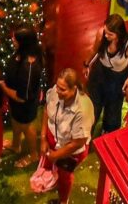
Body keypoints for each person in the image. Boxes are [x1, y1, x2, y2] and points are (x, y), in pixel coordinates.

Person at [85, 14, 128, 135]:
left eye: (110, 34)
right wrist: (86, 64)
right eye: (106, 32)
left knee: (113, 109)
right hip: (99, 73)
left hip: (117, 78)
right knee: (93, 105)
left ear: (119, 33)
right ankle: (87, 134)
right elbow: (94, 49)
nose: (106, 36)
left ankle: (108, 132)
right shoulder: (102, 34)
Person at [40, 69, 90, 203]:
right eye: (57, 86)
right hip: (53, 138)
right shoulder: (54, 92)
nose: (57, 91)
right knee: (52, 167)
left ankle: (63, 201)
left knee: (65, 176)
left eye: (62, 89)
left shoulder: (83, 109)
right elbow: (46, 110)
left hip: (70, 150)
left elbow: (78, 142)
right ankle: (53, 179)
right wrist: (43, 137)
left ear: (74, 89)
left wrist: (56, 155)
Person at [4, 25, 44, 167]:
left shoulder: (29, 67)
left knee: (26, 127)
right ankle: (16, 145)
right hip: (16, 103)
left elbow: (22, 97)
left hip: (24, 104)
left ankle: (33, 155)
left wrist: (3, 86)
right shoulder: (22, 52)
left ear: (24, 43)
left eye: (15, 39)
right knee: (15, 120)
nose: (12, 40)